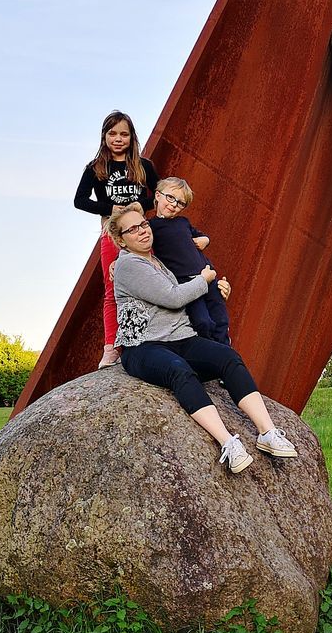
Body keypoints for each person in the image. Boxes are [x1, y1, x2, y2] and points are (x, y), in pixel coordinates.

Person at [108, 202, 298, 473]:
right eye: (133, 229)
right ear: (121, 240)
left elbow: (187, 282)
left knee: (228, 357)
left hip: (180, 338)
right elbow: (174, 298)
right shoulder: (128, 265)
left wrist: (216, 288)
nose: (142, 231)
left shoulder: (158, 260)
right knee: (180, 372)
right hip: (143, 346)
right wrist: (205, 280)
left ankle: (267, 433)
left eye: (144, 224)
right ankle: (228, 442)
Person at [74, 111, 158, 368]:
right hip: (112, 235)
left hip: (140, 233)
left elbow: (158, 193)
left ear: (132, 137)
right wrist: (109, 208)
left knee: (148, 284)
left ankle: (149, 340)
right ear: (104, 136)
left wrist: (140, 204)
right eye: (113, 134)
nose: (118, 139)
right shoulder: (96, 167)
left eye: (124, 134)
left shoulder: (143, 166)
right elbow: (79, 200)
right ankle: (111, 347)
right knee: (112, 290)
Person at [149, 177, 230, 343]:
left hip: (207, 275)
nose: (173, 205)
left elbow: (200, 235)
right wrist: (115, 261)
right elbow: (135, 244)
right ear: (158, 195)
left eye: (180, 203)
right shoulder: (150, 226)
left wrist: (205, 239)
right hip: (185, 283)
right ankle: (212, 350)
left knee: (220, 318)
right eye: (170, 198)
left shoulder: (183, 222)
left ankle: (225, 349)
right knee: (202, 321)